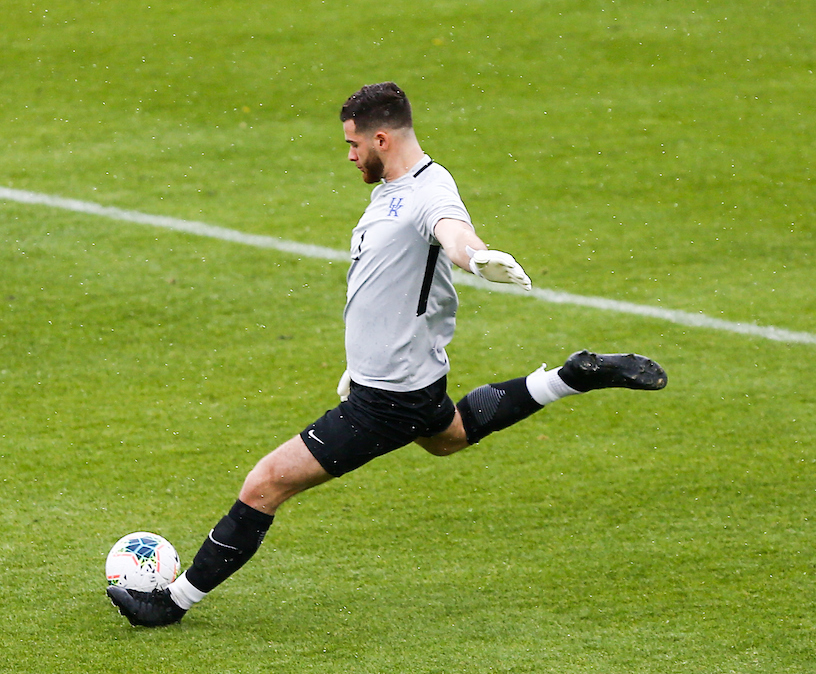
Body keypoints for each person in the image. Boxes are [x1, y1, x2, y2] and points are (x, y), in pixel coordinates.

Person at [106, 81, 667, 627]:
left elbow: (454, 234)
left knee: (266, 483)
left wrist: (477, 259)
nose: (348, 156)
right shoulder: (390, 192)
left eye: (353, 144)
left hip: (388, 398)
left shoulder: (429, 191)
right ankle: (572, 376)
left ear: (381, 140)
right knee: (448, 437)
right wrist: (361, 360)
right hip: (403, 382)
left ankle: (171, 603)